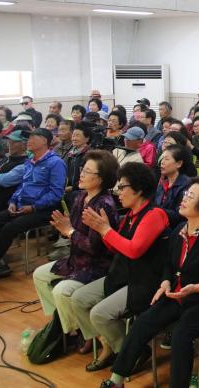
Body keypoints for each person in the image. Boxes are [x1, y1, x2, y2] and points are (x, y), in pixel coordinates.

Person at [100, 175, 199, 388]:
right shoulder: (179, 230)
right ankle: (116, 380)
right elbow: (169, 265)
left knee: (181, 335)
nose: (184, 198)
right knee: (143, 322)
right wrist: (165, 282)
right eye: (186, 194)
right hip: (177, 296)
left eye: (190, 196)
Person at [70, 162, 169, 372]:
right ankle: (110, 345)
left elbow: (134, 250)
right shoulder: (131, 215)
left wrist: (105, 230)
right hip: (123, 275)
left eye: (122, 187)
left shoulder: (155, 214)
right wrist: (102, 230)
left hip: (144, 282)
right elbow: (117, 249)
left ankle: (131, 351)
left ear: (138, 190)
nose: (118, 192)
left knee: (99, 314)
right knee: (78, 299)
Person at [32, 150, 119, 353]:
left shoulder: (103, 205)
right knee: (39, 275)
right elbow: (71, 231)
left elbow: (96, 248)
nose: (81, 174)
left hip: (96, 266)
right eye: (82, 169)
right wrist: (64, 228)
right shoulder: (81, 197)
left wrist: (69, 232)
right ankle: (67, 326)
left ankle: (87, 334)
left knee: (61, 291)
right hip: (76, 260)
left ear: (101, 179)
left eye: (87, 171)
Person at [0, 128, 66, 280]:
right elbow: (22, 186)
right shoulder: (29, 162)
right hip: (22, 206)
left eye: (32, 138)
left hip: (44, 210)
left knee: (10, 227)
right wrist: (12, 201)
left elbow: (56, 193)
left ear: (44, 141)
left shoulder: (56, 163)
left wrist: (33, 207)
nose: (28, 141)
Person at [155, 145, 193, 229]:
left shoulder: (188, 185)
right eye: (162, 158)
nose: (162, 162)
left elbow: (180, 216)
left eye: (166, 159)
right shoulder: (163, 183)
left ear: (179, 163)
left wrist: (154, 209)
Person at [0, 131, 27, 215]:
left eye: (14, 142)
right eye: (9, 141)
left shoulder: (24, 164)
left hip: (0, 202)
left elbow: (4, 181)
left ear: (24, 145)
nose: (10, 144)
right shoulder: (5, 159)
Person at [64, 124, 92, 194]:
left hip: (80, 191)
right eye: (73, 135)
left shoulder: (90, 155)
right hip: (65, 187)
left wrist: (73, 187)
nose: (74, 138)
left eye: (78, 136)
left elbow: (89, 176)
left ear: (87, 138)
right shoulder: (69, 152)